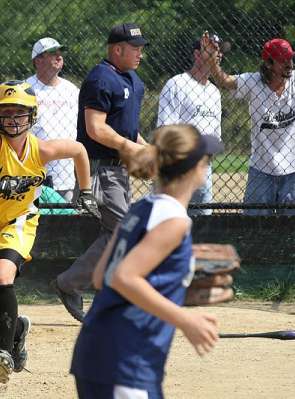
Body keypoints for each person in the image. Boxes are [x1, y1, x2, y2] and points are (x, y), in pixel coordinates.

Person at [0, 80, 100, 384]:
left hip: (19, 220)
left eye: (20, 113)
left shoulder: (40, 150)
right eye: (5, 113)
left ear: (32, 115)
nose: (12, 119)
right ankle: (16, 331)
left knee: (4, 276)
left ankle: (3, 353)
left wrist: (85, 192)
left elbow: (79, 150)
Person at [71, 124, 224, 399]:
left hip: (96, 352)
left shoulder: (141, 208)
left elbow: (100, 277)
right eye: (206, 160)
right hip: (127, 360)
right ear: (195, 169)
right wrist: (186, 321)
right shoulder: (174, 220)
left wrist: (174, 286)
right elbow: (122, 277)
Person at [51, 22, 149, 322]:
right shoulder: (101, 78)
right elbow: (95, 129)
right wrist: (129, 148)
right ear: (117, 49)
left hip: (117, 171)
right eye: (135, 49)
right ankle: (75, 285)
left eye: (141, 49)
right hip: (100, 170)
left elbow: (127, 129)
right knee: (125, 234)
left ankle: (84, 287)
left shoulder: (134, 81)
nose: (140, 54)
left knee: (118, 234)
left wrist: (146, 149)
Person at [200, 32, 295, 215]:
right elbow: (223, 80)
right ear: (268, 64)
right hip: (261, 169)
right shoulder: (254, 82)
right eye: (282, 60)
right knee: (254, 227)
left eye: (290, 59)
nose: (289, 65)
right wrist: (212, 62)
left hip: (294, 169)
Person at [157, 33, 231, 215]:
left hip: (203, 170)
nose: (219, 54)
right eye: (214, 50)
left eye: (220, 51)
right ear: (197, 55)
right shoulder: (176, 84)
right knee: (169, 221)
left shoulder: (215, 92)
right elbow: (165, 132)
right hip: (177, 170)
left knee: (203, 225)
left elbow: (216, 135)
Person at [25, 37, 80, 202]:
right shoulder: (26, 89)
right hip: (33, 173)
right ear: (37, 60)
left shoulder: (71, 89)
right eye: (52, 54)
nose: (59, 57)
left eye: (60, 53)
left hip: (67, 173)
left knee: (65, 222)